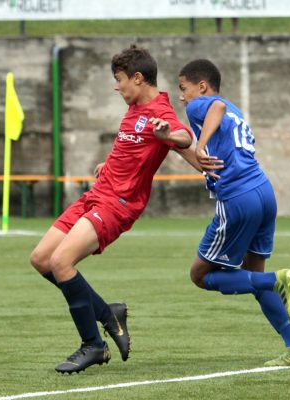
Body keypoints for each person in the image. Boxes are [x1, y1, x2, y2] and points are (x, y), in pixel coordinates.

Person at [29, 45, 195, 374]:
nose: (116, 86)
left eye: (119, 80)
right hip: (98, 193)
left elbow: (183, 136)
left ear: (137, 78)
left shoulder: (159, 110)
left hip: (118, 205)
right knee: (41, 259)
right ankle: (108, 314)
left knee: (62, 262)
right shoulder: (134, 106)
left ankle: (93, 345)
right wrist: (111, 163)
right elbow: (133, 146)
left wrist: (171, 136)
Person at [175, 59, 290, 367]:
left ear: (201, 86)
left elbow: (215, 110)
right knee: (252, 275)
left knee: (200, 275)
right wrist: (182, 147)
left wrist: (201, 143)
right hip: (263, 192)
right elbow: (207, 160)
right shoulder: (235, 110)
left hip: (238, 198)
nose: (181, 97)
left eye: (183, 89)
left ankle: (276, 281)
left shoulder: (203, 106)